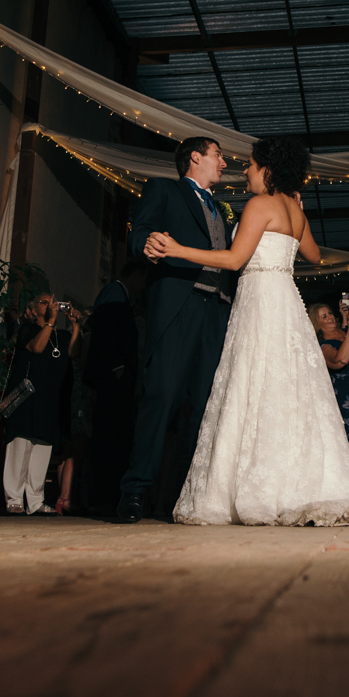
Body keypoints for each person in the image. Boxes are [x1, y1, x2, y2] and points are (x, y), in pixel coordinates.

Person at [148, 138, 349, 526]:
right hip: (288, 303)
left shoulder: (260, 205)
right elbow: (314, 256)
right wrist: (301, 213)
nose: (243, 170)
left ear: (266, 167)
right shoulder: (294, 211)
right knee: (290, 390)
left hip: (261, 302)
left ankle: (259, 486)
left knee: (255, 387)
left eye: (248, 165)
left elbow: (233, 259)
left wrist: (178, 250)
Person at [114, 136, 237, 523]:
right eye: (218, 154)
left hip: (216, 312)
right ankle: (133, 492)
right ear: (196, 157)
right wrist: (145, 242)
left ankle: (189, 496)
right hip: (178, 307)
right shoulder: (164, 189)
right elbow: (140, 231)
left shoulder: (223, 210)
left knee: (205, 407)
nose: (224, 162)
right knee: (162, 396)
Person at [2, 292, 80, 514]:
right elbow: (37, 348)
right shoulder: (28, 329)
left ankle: (35, 501)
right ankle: (14, 498)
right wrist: (51, 321)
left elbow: (74, 353)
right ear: (33, 309)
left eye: (52, 302)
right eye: (44, 302)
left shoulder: (62, 336)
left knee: (42, 448)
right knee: (21, 444)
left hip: (51, 398)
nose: (50, 305)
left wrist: (75, 327)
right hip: (28, 396)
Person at [82, 270, 142, 515]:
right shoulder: (114, 292)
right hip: (112, 376)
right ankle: (101, 496)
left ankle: (107, 495)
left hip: (116, 376)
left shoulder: (119, 295)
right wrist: (116, 364)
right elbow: (105, 329)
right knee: (108, 436)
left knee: (113, 436)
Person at [311, 302, 349, 462]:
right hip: (347, 402)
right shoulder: (323, 346)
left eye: (329, 313)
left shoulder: (346, 332)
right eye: (324, 316)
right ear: (318, 324)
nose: (330, 317)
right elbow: (341, 360)